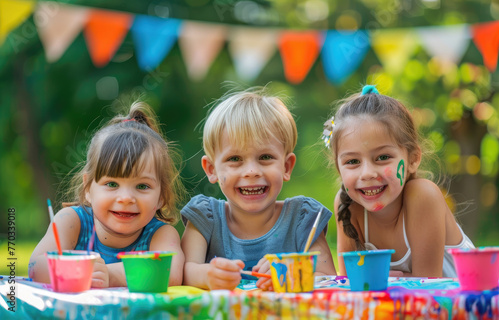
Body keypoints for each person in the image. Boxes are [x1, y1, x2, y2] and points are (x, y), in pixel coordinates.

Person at [181, 88, 337, 290]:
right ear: (211, 169)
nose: (252, 171)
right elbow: (182, 272)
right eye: (234, 159)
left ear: (286, 167)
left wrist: (293, 270)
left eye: (265, 157)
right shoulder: (205, 217)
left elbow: (330, 280)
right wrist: (207, 275)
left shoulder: (303, 218)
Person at [29, 101, 186, 287]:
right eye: (112, 184)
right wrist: (80, 270)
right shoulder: (72, 222)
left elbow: (172, 273)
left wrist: (109, 275)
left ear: (161, 196)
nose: (126, 198)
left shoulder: (160, 234)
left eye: (142, 186)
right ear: (88, 188)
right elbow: (35, 268)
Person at [325, 85, 474, 278]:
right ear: (339, 168)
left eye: (382, 157)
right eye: (352, 162)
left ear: (412, 159)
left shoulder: (422, 195)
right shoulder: (347, 206)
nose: (367, 173)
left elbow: (426, 286)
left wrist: (383, 278)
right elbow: (350, 285)